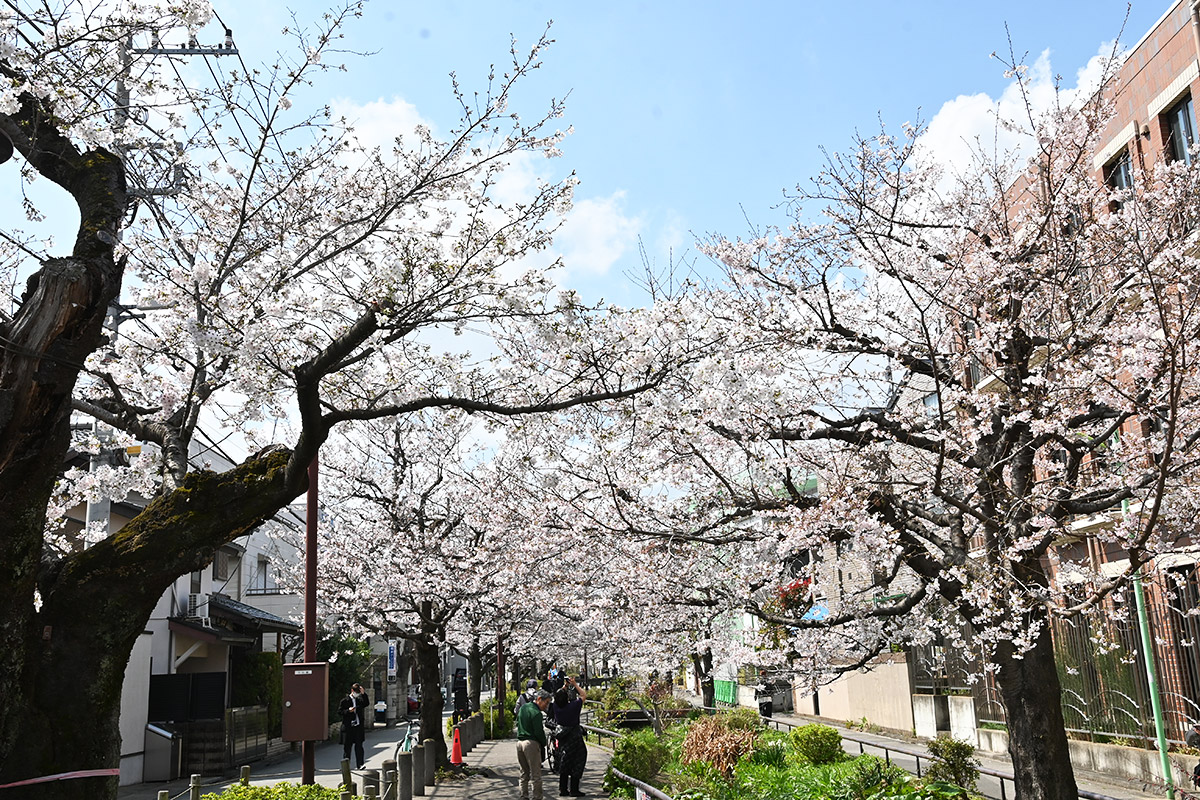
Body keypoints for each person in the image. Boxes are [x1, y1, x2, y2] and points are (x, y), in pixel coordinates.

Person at [553, 675, 588, 797]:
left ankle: (563, 789)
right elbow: (583, 695)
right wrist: (575, 684)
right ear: (567, 698)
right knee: (578, 761)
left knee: (565, 761)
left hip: (563, 738)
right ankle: (574, 789)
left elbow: (559, 696)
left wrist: (566, 686)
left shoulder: (556, 707)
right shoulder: (573, 706)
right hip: (575, 737)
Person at [517, 689, 552, 800]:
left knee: (524, 772)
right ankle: (537, 797)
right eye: (546, 702)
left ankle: (524, 795)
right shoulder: (536, 713)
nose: (546, 706)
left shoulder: (523, 708)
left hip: (519, 743)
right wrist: (543, 743)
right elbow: (539, 732)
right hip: (531, 743)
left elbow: (518, 722)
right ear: (538, 699)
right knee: (536, 774)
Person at [338, 683, 369, 769]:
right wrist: (348, 711)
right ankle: (346, 766)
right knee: (347, 747)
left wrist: (363, 694)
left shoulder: (359, 700)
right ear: (352, 691)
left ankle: (360, 764)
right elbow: (340, 712)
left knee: (359, 746)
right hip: (348, 727)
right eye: (356, 692)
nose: (357, 694)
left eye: (358, 692)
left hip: (358, 726)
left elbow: (366, 703)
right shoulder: (345, 701)